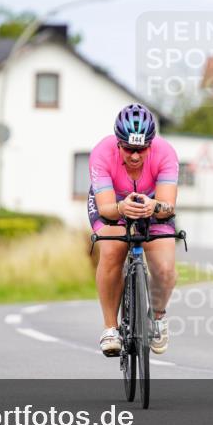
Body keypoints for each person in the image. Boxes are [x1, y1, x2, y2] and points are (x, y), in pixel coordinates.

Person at [88, 104, 178, 356]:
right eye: (128, 148)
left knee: (165, 268)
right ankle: (110, 328)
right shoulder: (102, 153)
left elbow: (168, 205)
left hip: (153, 204)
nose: (135, 156)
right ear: (118, 143)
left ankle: (157, 317)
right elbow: (105, 208)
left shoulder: (166, 153)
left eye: (141, 149)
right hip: (113, 203)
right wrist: (121, 207)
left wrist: (154, 206)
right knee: (111, 250)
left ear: (151, 144)